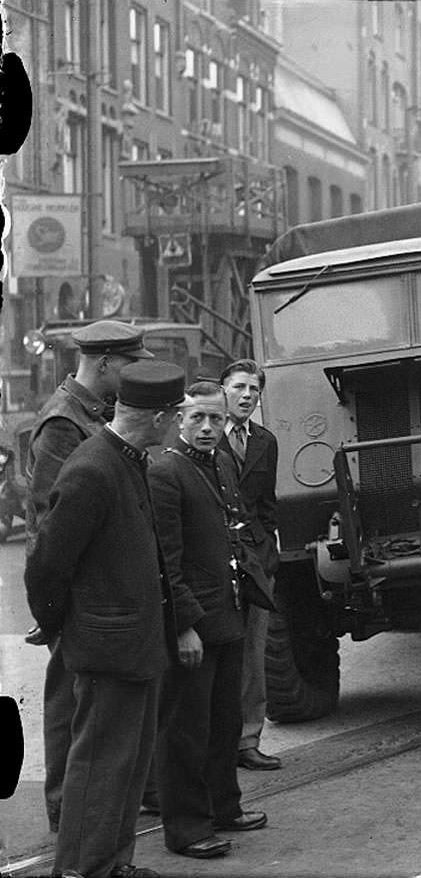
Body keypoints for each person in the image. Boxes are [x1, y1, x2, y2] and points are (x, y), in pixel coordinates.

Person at [24, 359, 185, 878]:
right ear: (158, 418)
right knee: (98, 768)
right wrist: (60, 631)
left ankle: (113, 863)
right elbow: (47, 564)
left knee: (129, 765)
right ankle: (83, 870)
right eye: (176, 416)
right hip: (106, 647)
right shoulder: (93, 467)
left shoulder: (128, 457)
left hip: (136, 644)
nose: (178, 425)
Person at [22, 320, 153, 834]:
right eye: (130, 364)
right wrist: (53, 612)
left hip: (93, 585)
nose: (135, 373)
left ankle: (87, 815)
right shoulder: (63, 423)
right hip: (78, 592)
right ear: (102, 363)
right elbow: (57, 525)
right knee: (68, 702)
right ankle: (65, 812)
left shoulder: (88, 414)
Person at [151, 381, 272, 860]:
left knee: (224, 722)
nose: (207, 428)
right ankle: (185, 827)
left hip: (228, 613)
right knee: (185, 729)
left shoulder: (222, 462)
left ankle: (225, 807)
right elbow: (167, 560)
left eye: (216, 419)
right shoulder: (165, 471)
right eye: (197, 418)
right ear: (179, 420)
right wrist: (183, 625)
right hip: (194, 624)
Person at [218, 360, 283, 772]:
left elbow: (267, 505)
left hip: (256, 560)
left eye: (254, 390)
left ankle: (247, 740)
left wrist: (266, 551)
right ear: (223, 389)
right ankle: (218, 744)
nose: (246, 396)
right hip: (215, 558)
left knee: (254, 653)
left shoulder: (265, 441)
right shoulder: (201, 436)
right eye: (239, 387)